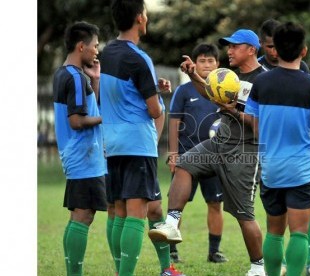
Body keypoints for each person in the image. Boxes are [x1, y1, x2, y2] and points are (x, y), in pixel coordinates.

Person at [149, 29, 267, 276]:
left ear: (252, 50)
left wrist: (233, 111)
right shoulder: (229, 75)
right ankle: (171, 223)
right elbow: (210, 92)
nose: (229, 51)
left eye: (235, 46)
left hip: (244, 151)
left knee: (244, 214)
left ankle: (258, 266)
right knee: (184, 164)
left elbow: (262, 125)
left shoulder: (264, 81)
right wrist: (193, 76)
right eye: (228, 46)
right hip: (219, 142)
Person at [99, 0, 184, 275]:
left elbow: (121, 92)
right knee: (136, 215)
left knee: (121, 212)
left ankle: (160, 269)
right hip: (137, 144)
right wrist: (159, 99)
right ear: (139, 18)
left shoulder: (107, 53)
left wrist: (152, 87)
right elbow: (153, 109)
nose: (146, 18)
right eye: (145, 14)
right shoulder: (139, 57)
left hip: (113, 145)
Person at [245, 22, 310, 276]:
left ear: (276, 50)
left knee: (274, 231)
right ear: (303, 51)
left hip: (271, 169)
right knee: (299, 233)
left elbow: (255, 125)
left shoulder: (261, 83)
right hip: (302, 170)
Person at [52, 21, 107, 276]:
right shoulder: (74, 77)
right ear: (81, 46)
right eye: (95, 46)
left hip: (77, 154)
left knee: (78, 215)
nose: (97, 51)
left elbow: (85, 109)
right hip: (83, 154)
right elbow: (77, 121)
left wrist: (95, 81)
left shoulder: (65, 73)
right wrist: (107, 117)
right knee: (84, 215)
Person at [167, 43, 228, 264]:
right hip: (186, 158)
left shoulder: (223, 91)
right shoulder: (183, 91)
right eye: (202, 61)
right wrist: (173, 154)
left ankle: (215, 251)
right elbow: (173, 122)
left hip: (216, 157)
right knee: (177, 205)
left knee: (215, 203)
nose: (207, 65)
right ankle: (172, 250)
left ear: (218, 64)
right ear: (194, 63)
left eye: (211, 61)